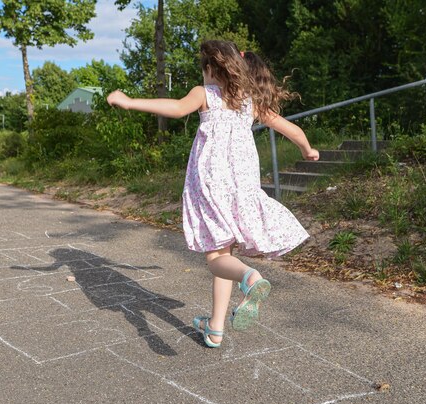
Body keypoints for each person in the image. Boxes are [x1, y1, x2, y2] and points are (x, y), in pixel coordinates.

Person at [107, 40, 319, 348]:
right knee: (224, 252)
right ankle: (215, 328)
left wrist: (129, 101)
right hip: (243, 185)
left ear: (210, 69)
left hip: (211, 184)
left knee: (215, 259)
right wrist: (308, 149)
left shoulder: (204, 94)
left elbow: (176, 109)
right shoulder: (251, 102)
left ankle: (250, 279)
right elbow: (291, 129)